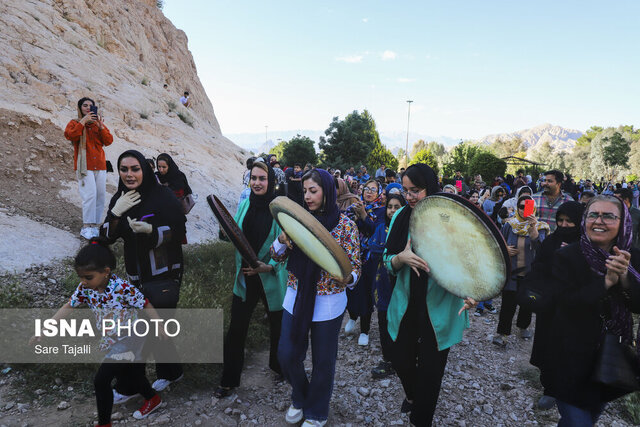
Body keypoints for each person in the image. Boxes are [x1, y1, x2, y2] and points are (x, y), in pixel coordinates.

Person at [30, 238, 164, 425]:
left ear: (106, 272)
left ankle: (104, 423)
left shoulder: (122, 287)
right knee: (131, 373)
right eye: (81, 277)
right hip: (113, 338)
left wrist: (158, 324)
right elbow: (69, 305)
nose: (83, 282)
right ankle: (152, 398)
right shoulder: (86, 289)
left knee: (101, 380)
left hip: (131, 337)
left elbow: (145, 303)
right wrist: (46, 328)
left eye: (88, 277)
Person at [384, 163, 476, 426]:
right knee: (400, 359)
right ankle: (413, 395)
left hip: (441, 306)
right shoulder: (401, 216)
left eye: (416, 190)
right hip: (406, 304)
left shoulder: (450, 219)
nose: (410, 196)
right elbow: (385, 259)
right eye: (406, 190)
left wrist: (472, 292)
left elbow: (470, 263)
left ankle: (421, 419)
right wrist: (400, 258)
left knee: (431, 371)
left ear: (431, 187)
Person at [273, 168, 361, 426]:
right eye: (305, 192)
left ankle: (317, 411)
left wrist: (348, 278)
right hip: (296, 297)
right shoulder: (295, 220)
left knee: (323, 362)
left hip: (328, 304)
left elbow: (355, 268)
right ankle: (300, 396)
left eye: (313, 191)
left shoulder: (346, 225)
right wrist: (281, 239)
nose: (308, 197)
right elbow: (276, 256)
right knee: (287, 354)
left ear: (328, 191)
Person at [547, 195, 640, 425]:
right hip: (568, 358)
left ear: (623, 222)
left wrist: (626, 278)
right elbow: (563, 304)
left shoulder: (632, 258)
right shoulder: (566, 256)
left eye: (608, 216)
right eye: (593, 215)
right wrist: (605, 282)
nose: (599, 221)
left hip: (608, 359)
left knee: (589, 416)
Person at [101, 150, 187, 399]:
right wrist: (115, 214)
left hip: (163, 274)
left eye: (135, 169)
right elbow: (105, 237)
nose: (129, 174)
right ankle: (171, 372)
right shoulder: (120, 197)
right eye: (124, 169)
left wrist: (152, 231)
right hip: (136, 276)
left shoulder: (163, 196)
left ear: (145, 170)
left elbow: (179, 231)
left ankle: (128, 387)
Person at [214, 161, 287, 398]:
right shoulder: (244, 203)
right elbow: (234, 235)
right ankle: (229, 381)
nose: (256, 183)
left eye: (262, 179)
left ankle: (279, 368)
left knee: (278, 326)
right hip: (245, 277)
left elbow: (288, 247)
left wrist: (269, 267)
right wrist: (224, 232)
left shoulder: (279, 210)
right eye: (253, 178)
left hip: (270, 278)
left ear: (271, 182)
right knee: (236, 329)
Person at [525, 201, 584, 410]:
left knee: (569, 349)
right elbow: (539, 264)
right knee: (547, 346)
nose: (565, 225)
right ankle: (549, 388)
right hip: (550, 307)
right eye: (561, 220)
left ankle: (568, 387)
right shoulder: (552, 241)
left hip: (576, 308)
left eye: (570, 221)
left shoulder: (588, 245)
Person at [493, 195, 549, 346]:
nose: (524, 210)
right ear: (517, 208)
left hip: (530, 274)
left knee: (527, 304)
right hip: (512, 272)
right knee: (507, 305)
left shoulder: (540, 227)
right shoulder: (509, 225)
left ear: (534, 208)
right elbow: (499, 243)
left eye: (527, 206)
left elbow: (541, 249)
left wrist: (533, 228)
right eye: (521, 207)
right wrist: (504, 249)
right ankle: (502, 334)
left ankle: (523, 327)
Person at [64, 97, 113, 239]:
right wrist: (83, 121)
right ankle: (87, 225)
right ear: (80, 108)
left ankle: (95, 225)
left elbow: (108, 141)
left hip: (100, 164)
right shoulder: (75, 123)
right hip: (85, 166)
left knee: (100, 195)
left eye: (90, 106)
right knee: (89, 195)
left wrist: (101, 127)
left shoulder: (98, 124)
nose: (87, 108)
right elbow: (71, 135)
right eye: (84, 105)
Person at [344, 179, 386, 346]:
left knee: (367, 294)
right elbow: (346, 229)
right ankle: (353, 316)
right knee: (352, 289)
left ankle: (365, 330)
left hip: (370, 259)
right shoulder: (352, 207)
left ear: (378, 193)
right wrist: (354, 216)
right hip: (353, 256)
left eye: (373, 190)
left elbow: (375, 233)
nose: (369, 192)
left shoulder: (382, 211)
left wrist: (363, 216)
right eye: (366, 188)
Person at [369, 193, 406, 379]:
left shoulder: (408, 230)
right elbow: (373, 248)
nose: (392, 210)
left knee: (403, 320)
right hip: (383, 282)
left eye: (397, 206)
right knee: (384, 319)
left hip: (402, 283)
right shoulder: (381, 228)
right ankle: (388, 360)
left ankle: (404, 358)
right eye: (390, 206)